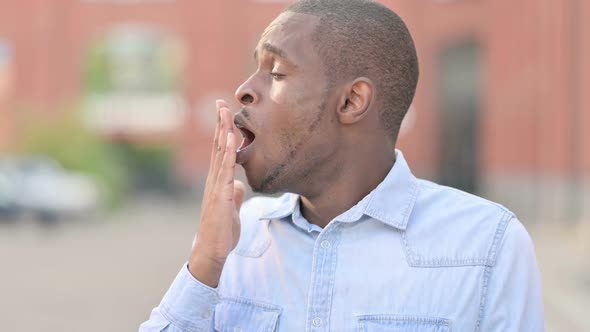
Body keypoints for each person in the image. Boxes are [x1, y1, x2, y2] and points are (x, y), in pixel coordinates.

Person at [140, 0, 544, 330]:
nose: (244, 90)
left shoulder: (486, 244)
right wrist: (205, 266)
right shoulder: (236, 239)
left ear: (351, 102)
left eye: (276, 72)